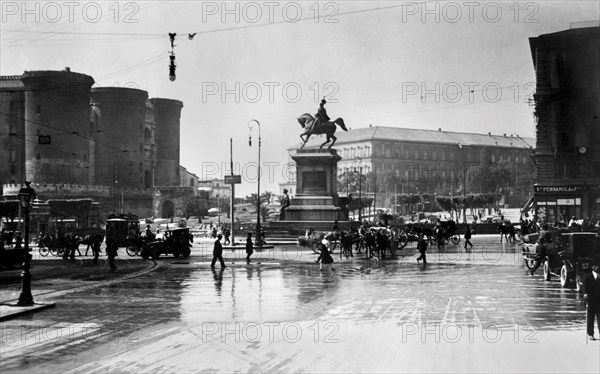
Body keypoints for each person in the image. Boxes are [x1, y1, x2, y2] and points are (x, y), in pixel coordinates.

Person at [582, 263, 600, 340]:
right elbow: (584, 287)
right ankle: (590, 334)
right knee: (590, 318)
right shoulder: (587, 277)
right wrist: (585, 294)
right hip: (590, 300)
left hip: (599, 300)